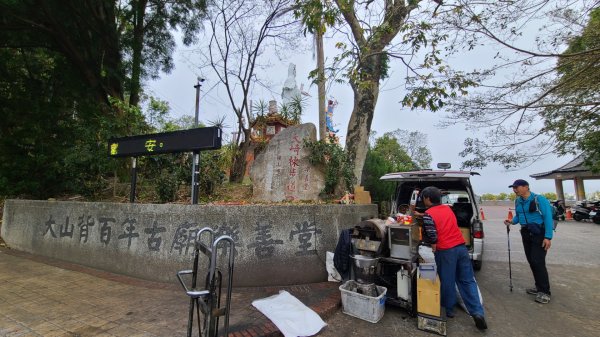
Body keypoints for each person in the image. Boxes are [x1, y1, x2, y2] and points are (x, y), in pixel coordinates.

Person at [420, 186, 487, 331]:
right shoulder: (447, 208)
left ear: (427, 198)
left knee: (447, 280)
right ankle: (477, 312)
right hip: (461, 248)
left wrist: (433, 245)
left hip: (446, 251)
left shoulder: (428, 214)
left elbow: (432, 235)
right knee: (467, 280)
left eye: (423, 197)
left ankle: (449, 310)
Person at [504, 179, 553, 304]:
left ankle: (545, 292)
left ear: (526, 187)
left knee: (538, 261)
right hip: (526, 232)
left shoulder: (539, 199)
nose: (515, 190)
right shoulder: (518, 201)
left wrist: (548, 237)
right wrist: (511, 222)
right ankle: (538, 287)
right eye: (513, 187)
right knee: (531, 260)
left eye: (517, 187)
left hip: (539, 233)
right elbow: (518, 216)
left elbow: (548, 217)